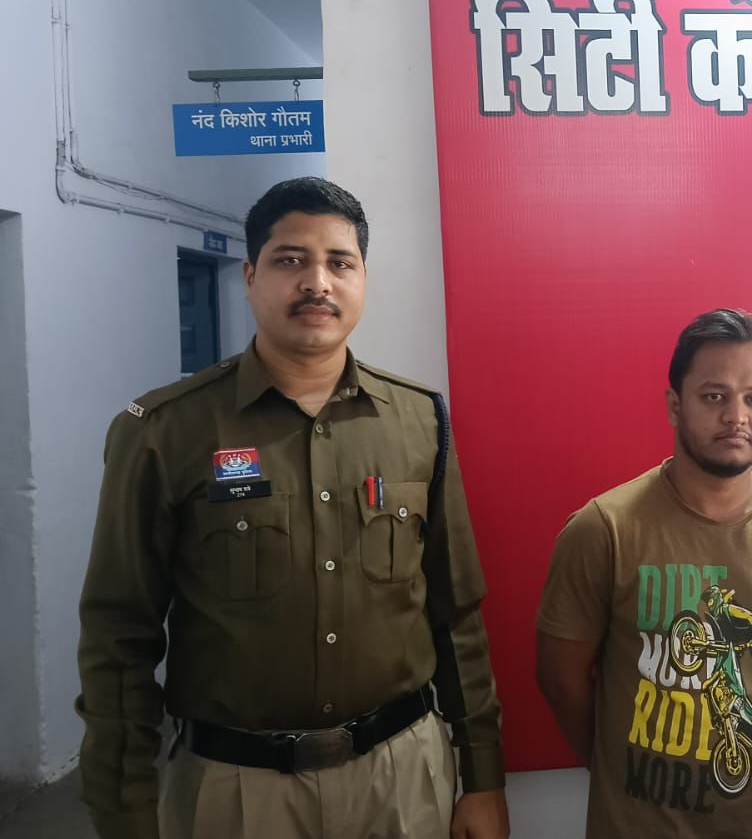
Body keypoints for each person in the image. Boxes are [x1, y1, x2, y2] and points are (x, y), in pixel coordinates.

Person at [76, 177, 509, 839]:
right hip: (237, 791)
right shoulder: (165, 431)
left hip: (401, 778)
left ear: (363, 279)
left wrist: (482, 775)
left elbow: (456, 612)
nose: (317, 282)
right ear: (250, 276)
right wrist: (124, 809)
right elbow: (118, 637)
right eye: (290, 260)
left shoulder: (419, 420)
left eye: (340, 262)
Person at [537, 308, 752, 838]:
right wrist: (616, 765)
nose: (737, 416)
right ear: (675, 405)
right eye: (714, 396)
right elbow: (560, 678)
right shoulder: (604, 529)